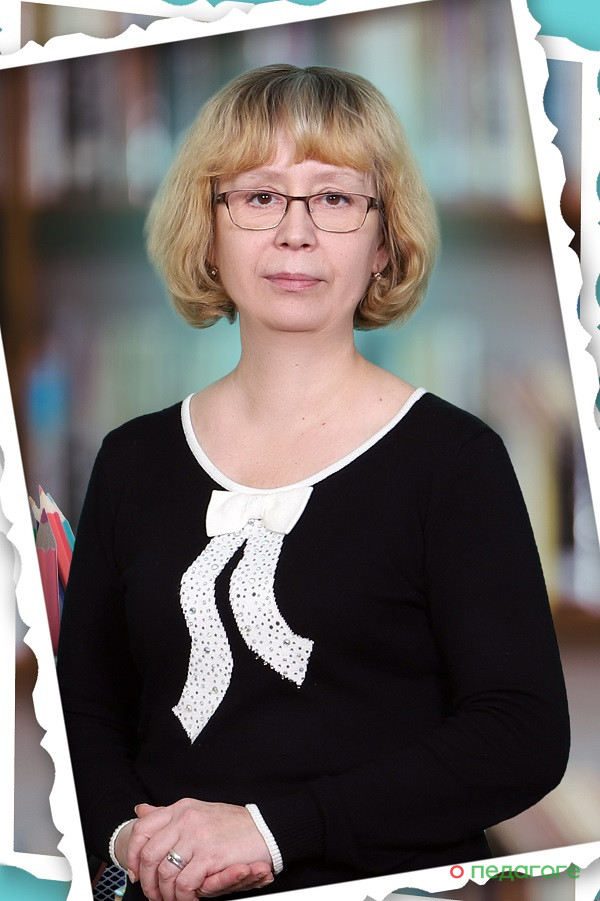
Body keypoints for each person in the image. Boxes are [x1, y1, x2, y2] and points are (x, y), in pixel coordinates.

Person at [57, 64, 570, 901]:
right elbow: (87, 709)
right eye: (260, 196)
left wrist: (270, 831)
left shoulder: (455, 460)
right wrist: (132, 840)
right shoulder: (130, 461)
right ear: (208, 229)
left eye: (334, 198)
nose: (295, 232)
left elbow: (521, 733)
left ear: (384, 241)